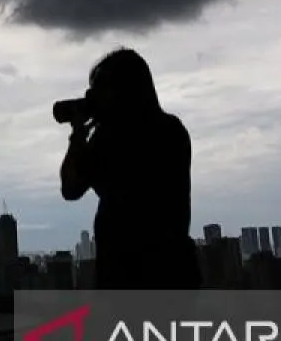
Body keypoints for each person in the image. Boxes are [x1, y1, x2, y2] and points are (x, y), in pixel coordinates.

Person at [59, 47, 200, 289]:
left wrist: (79, 136)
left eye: (101, 88)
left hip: (129, 275)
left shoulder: (113, 139)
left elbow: (71, 187)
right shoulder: (171, 129)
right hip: (171, 274)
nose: (94, 97)